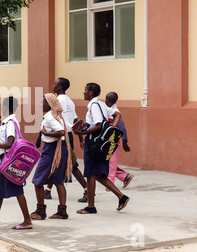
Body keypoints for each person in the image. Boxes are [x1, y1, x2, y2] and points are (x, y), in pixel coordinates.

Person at [73, 83, 130, 214]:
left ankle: (91, 207)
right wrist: (110, 129)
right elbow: (117, 114)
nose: (84, 92)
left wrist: (82, 133)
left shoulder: (94, 105)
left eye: (85, 90)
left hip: (94, 142)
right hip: (100, 142)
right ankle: (122, 197)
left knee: (91, 174)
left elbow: (98, 125)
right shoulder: (101, 104)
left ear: (91, 93)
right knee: (99, 174)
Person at [0, 97, 33, 230]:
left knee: (17, 190)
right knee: (0, 190)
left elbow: (9, 143)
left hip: (8, 162)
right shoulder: (10, 121)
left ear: (5, 107)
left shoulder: (10, 122)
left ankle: (27, 220)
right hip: (5, 161)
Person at [45, 78, 88, 203]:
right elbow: (75, 121)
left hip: (61, 135)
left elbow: (53, 118)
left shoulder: (56, 101)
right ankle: (48, 190)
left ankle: (87, 190)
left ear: (60, 87)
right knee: (56, 162)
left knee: (71, 165)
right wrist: (80, 137)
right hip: (68, 135)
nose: (53, 86)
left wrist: (48, 132)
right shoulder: (70, 101)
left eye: (55, 84)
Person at [30, 93, 71, 220]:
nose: (41, 104)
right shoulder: (57, 116)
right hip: (59, 149)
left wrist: (46, 133)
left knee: (38, 180)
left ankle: (40, 211)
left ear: (49, 104)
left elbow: (61, 132)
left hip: (52, 150)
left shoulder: (50, 117)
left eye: (43, 101)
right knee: (58, 181)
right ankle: (62, 211)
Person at [105, 92, 134, 189]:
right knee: (105, 163)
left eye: (108, 100)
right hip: (105, 141)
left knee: (112, 163)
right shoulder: (106, 110)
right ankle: (125, 176)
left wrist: (124, 141)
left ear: (112, 101)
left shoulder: (115, 112)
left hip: (113, 141)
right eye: (106, 99)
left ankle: (110, 184)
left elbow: (122, 127)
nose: (106, 101)